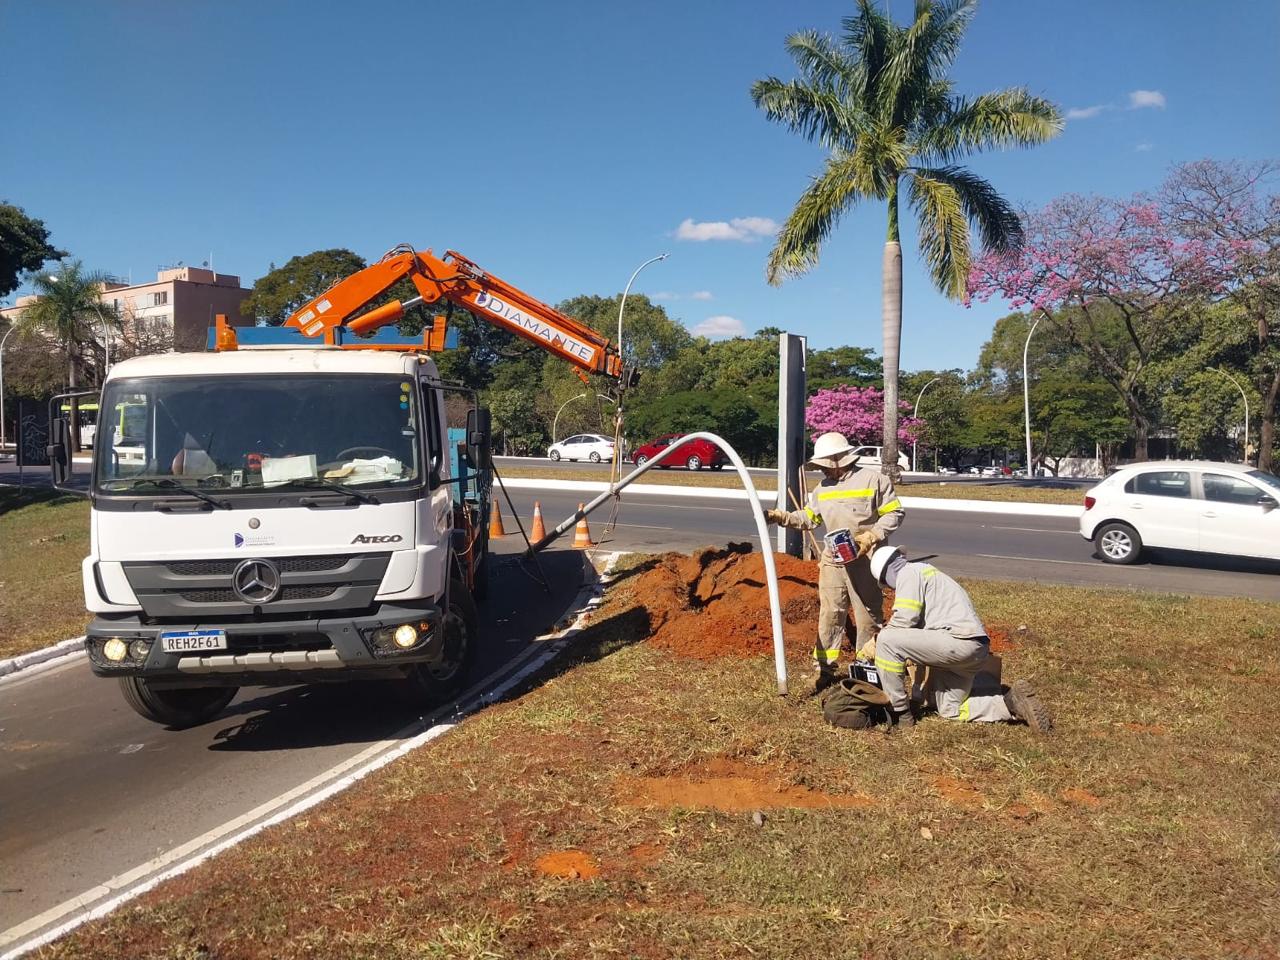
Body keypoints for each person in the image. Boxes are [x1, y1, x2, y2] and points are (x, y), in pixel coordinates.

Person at [765, 432, 905, 696]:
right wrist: (779, 517)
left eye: (824, 465)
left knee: (867, 617)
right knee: (830, 613)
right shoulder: (823, 489)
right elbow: (809, 518)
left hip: (865, 559)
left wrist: (871, 536)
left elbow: (894, 513)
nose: (821, 470)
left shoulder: (874, 480)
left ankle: (867, 667)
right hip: (833, 558)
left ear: (838, 460)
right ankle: (823, 668)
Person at [866, 544, 1053, 733]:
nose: (891, 588)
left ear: (887, 575)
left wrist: (876, 642)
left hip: (957, 642)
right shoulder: (931, 576)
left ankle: (901, 714)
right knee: (950, 709)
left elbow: (904, 619)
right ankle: (1011, 703)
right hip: (974, 649)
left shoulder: (908, 572)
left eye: (887, 584)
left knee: (887, 640)